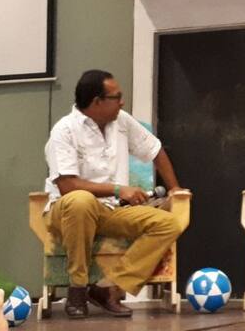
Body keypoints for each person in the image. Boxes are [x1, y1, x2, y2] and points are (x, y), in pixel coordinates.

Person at [44, 70, 186, 318]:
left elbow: (155, 149)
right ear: (97, 102)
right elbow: (67, 186)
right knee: (81, 201)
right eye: (116, 97)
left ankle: (109, 288)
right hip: (66, 210)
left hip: (110, 210)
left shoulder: (122, 121)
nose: (122, 102)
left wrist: (174, 188)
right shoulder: (64, 130)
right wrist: (120, 189)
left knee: (167, 224)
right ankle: (77, 288)